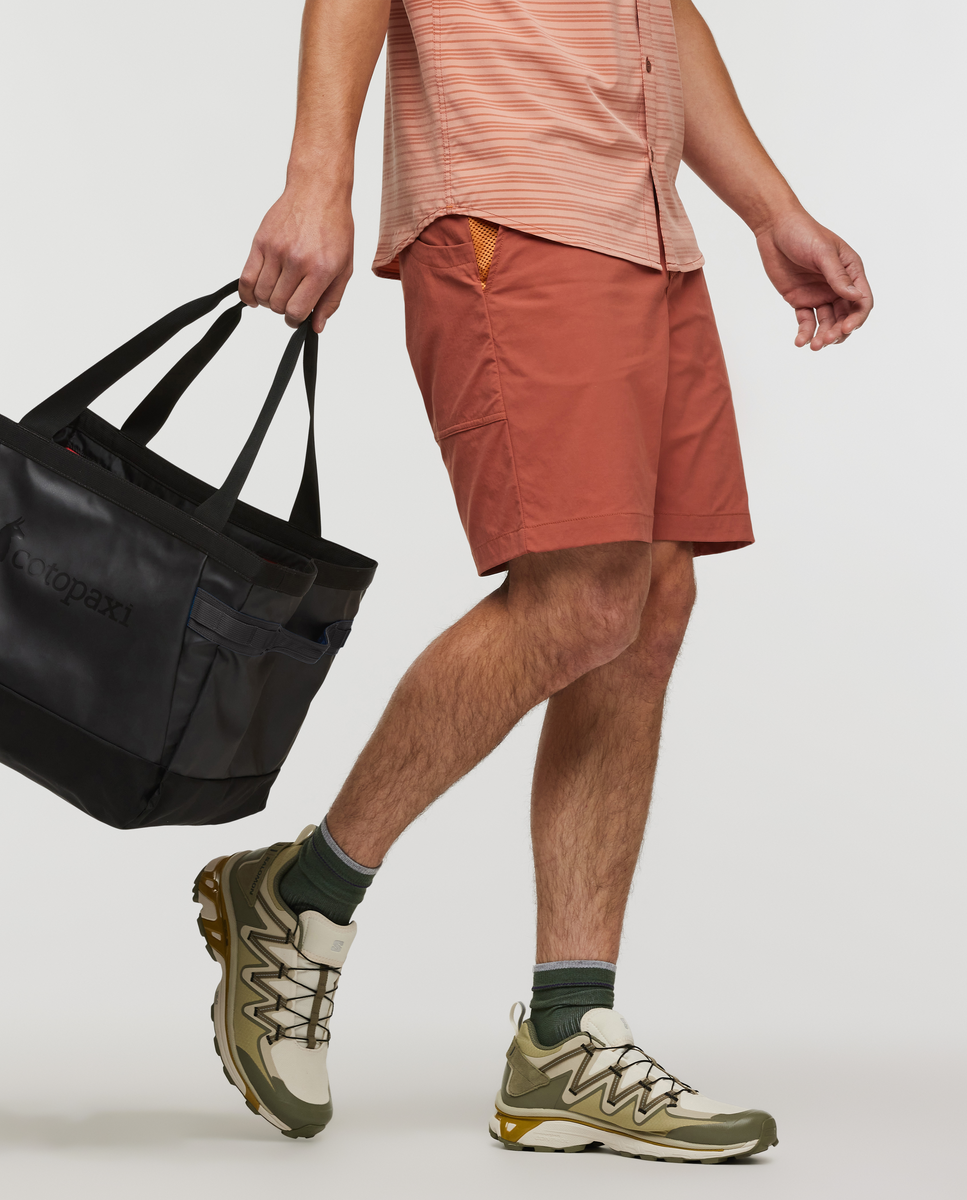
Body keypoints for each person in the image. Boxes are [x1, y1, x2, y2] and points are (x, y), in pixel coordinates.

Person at [192, 0, 872, 1160]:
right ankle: (303, 894)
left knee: (651, 605)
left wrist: (771, 208)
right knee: (585, 598)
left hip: (645, 224)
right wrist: (317, 177)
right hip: (513, 205)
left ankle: (567, 1034)